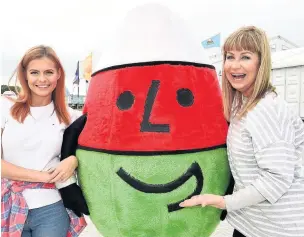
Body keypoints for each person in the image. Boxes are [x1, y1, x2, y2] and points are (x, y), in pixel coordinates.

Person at [180, 26, 304, 237]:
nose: (235, 65)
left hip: (278, 228)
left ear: (260, 63)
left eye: (245, 57)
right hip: (252, 222)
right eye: (230, 56)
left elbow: (276, 180)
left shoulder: (267, 110)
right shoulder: (241, 104)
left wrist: (221, 201)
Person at [1, 45, 86, 237]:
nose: (42, 79)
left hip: (52, 210)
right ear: (25, 75)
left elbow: (92, 152)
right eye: (34, 72)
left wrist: (73, 161)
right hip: (9, 205)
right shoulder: (5, 107)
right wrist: (43, 177)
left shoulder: (70, 117)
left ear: (58, 75)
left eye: (48, 72)